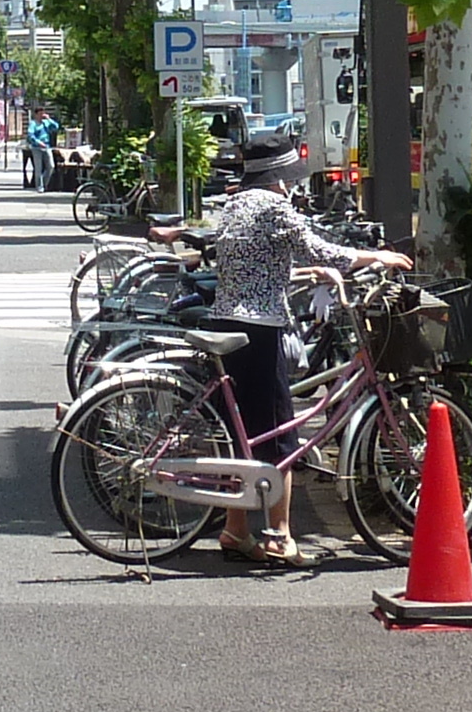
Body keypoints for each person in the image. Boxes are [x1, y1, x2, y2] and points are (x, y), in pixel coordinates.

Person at [156, 183, 406, 564]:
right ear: (277, 177)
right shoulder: (275, 206)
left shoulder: (237, 203)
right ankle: (280, 535)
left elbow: (257, 263)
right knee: (280, 435)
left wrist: (309, 271)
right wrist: (375, 257)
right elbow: (318, 247)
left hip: (227, 320)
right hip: (260, 330)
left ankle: (235, 529)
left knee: (239, 435)